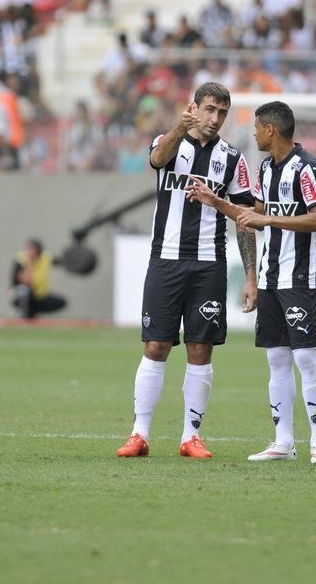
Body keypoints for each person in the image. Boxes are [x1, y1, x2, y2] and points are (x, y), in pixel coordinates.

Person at [116, 82, 257, 460]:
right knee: (156, 344)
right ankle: (139, 433)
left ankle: (190, 436)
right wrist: (180, 127)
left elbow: (246, 219)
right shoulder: (169, 141)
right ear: (193, 107)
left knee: (200, 348)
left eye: (222, 113)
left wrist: (250, 275)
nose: (215, 119)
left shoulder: (232, 159)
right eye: (209, 110)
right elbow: (157, 160)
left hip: (209, 264)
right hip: (166, 260)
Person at [191, 101, 316, 464]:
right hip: (270, 278)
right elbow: (251, 217)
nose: (253, 134)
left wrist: (270, 222)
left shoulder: (307, 168)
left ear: (271, 129)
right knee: (277, 359)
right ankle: (283, 442)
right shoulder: (266, 169)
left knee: (305, 356)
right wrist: (214, 201)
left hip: (301, 276)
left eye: (256, 127)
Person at [9, 238, 67, 320]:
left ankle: (33, 313)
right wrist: (30, 266)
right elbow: (25, 281)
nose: (29, 252)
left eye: (32, 249)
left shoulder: (45, 257)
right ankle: (24, 317)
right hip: (19, 295)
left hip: (39, 296)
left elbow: (60, 262)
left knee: (61, 302)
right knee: (25, 291)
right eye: (28, 249)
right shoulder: (21, 259)